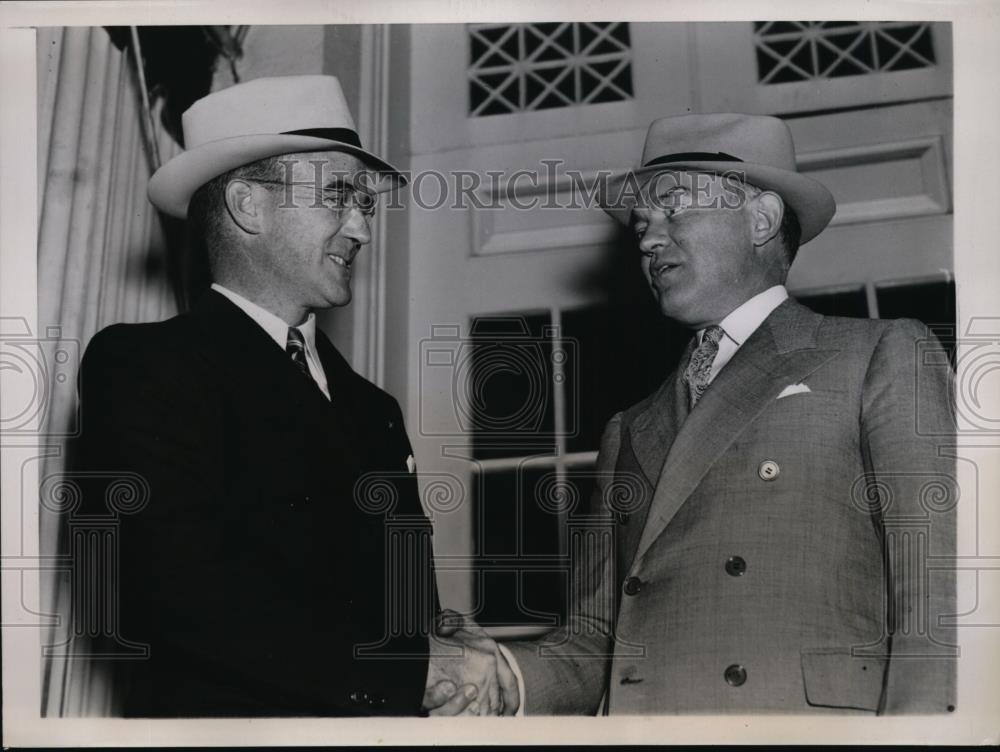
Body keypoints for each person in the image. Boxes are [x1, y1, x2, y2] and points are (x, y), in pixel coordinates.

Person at [74, 75, 511, 717]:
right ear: (249, 206)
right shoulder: (146, 366)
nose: (362, 228)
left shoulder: (374, 411)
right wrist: (408, 669)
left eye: (364, 202)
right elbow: (169, 591)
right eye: (338, 196)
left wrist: (444, 638)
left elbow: (390, 603)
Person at [495, 113, 957, 714]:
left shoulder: (877, 353)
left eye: (674, 209)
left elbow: (939, 584)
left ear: (760, 219)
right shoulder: (628, 429)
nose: (647, 238)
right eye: (642, 221)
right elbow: (590, 645)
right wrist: (497, 677)